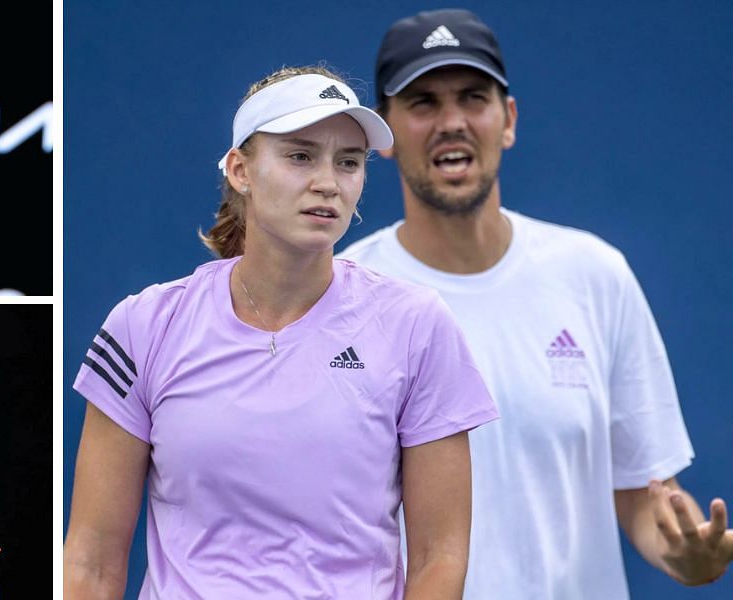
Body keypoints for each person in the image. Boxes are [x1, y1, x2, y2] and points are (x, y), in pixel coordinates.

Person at [339, 8, 733, 597]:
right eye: (423, 103)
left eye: (473, 97)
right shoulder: (342, 297)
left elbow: (643, 492)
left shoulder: (595, 275)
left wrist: (688, 555)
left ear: (508, 120)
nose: (452, 121)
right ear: (387, 136)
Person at [65, 65, 499, 598]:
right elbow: (90, 562)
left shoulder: (417, 325)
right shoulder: (143, 326)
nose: (327, 182)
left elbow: (440, 558)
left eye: (348, 162)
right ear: (240, 170)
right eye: (300, 155)